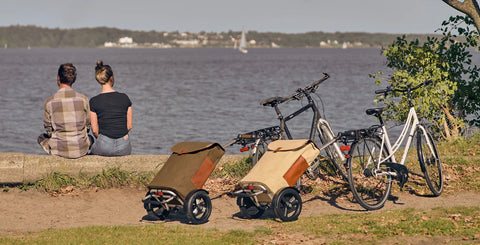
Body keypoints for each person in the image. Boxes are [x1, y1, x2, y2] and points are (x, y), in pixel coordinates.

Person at [38, 63, 92, 158]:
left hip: (59, 150)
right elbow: (87, 126)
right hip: (80, 150)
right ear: (74, 79)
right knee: (91, 138)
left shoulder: (49, 101)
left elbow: (48, 129)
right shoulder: (83, 99)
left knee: (41, 138)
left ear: (58, 78)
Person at [89, 60, 132, 156]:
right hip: (124, 146)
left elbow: (95, 130)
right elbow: (129, 126)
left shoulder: (94, 101)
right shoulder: (125, 97)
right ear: (111, 78)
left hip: (104, 144)